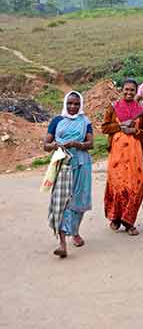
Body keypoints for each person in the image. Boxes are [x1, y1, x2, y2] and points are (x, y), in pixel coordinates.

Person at [44, 91, 94, 258]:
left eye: (76, 104)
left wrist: (76, 144)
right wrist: (56, 145)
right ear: (65, 104)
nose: (73, 107)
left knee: (79, 199)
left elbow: (90, 143)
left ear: (80, 105)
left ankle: (76, 231)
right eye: (70, 103)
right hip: (63, 164)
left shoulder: (85, 121)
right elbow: (46, 144)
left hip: (82, 164)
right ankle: (62, 243)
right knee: (62, 202)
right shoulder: (57, 121)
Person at [102, 79, 143, 236]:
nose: (129, 92)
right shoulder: (113, 108)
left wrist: (135, 132)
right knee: (117, 185)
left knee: (135, 186)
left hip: (134, 154)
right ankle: (115, 218)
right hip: (117, 154)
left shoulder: (140, 110)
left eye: (132, 90)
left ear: (136, 92)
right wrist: (120, 126)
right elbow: (104, 127)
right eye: (126, 89)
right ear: (121, 90)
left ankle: (129, 221)